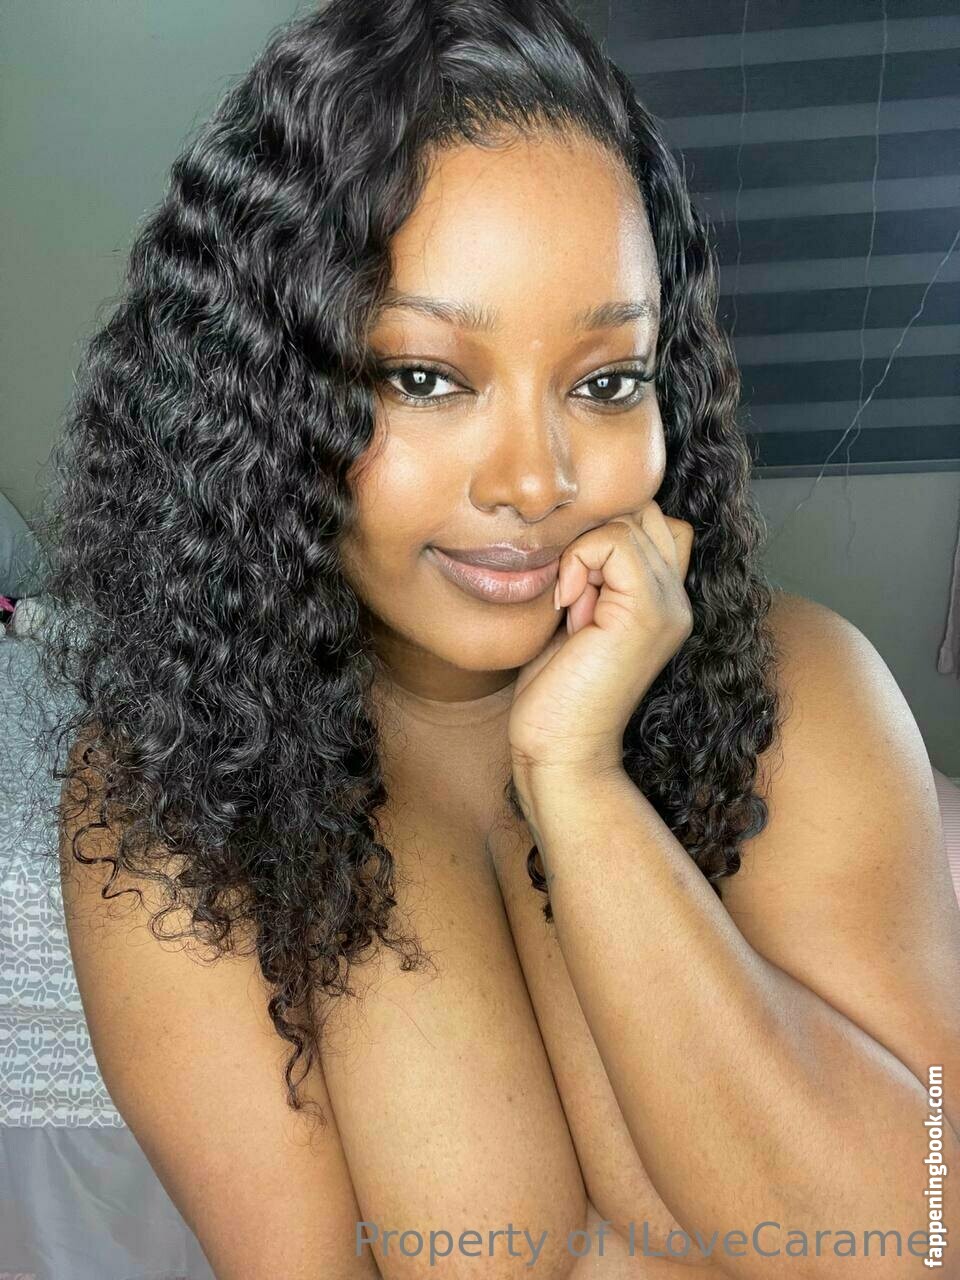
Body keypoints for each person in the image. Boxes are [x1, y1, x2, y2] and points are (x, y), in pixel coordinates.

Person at [25, 0, 959, 1276]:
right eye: (424, 377)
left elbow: (919, 1235)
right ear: (268, 397)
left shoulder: (803, 690)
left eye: (606, 380)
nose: (535, 479)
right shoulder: (182, 796)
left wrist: (577, 784)